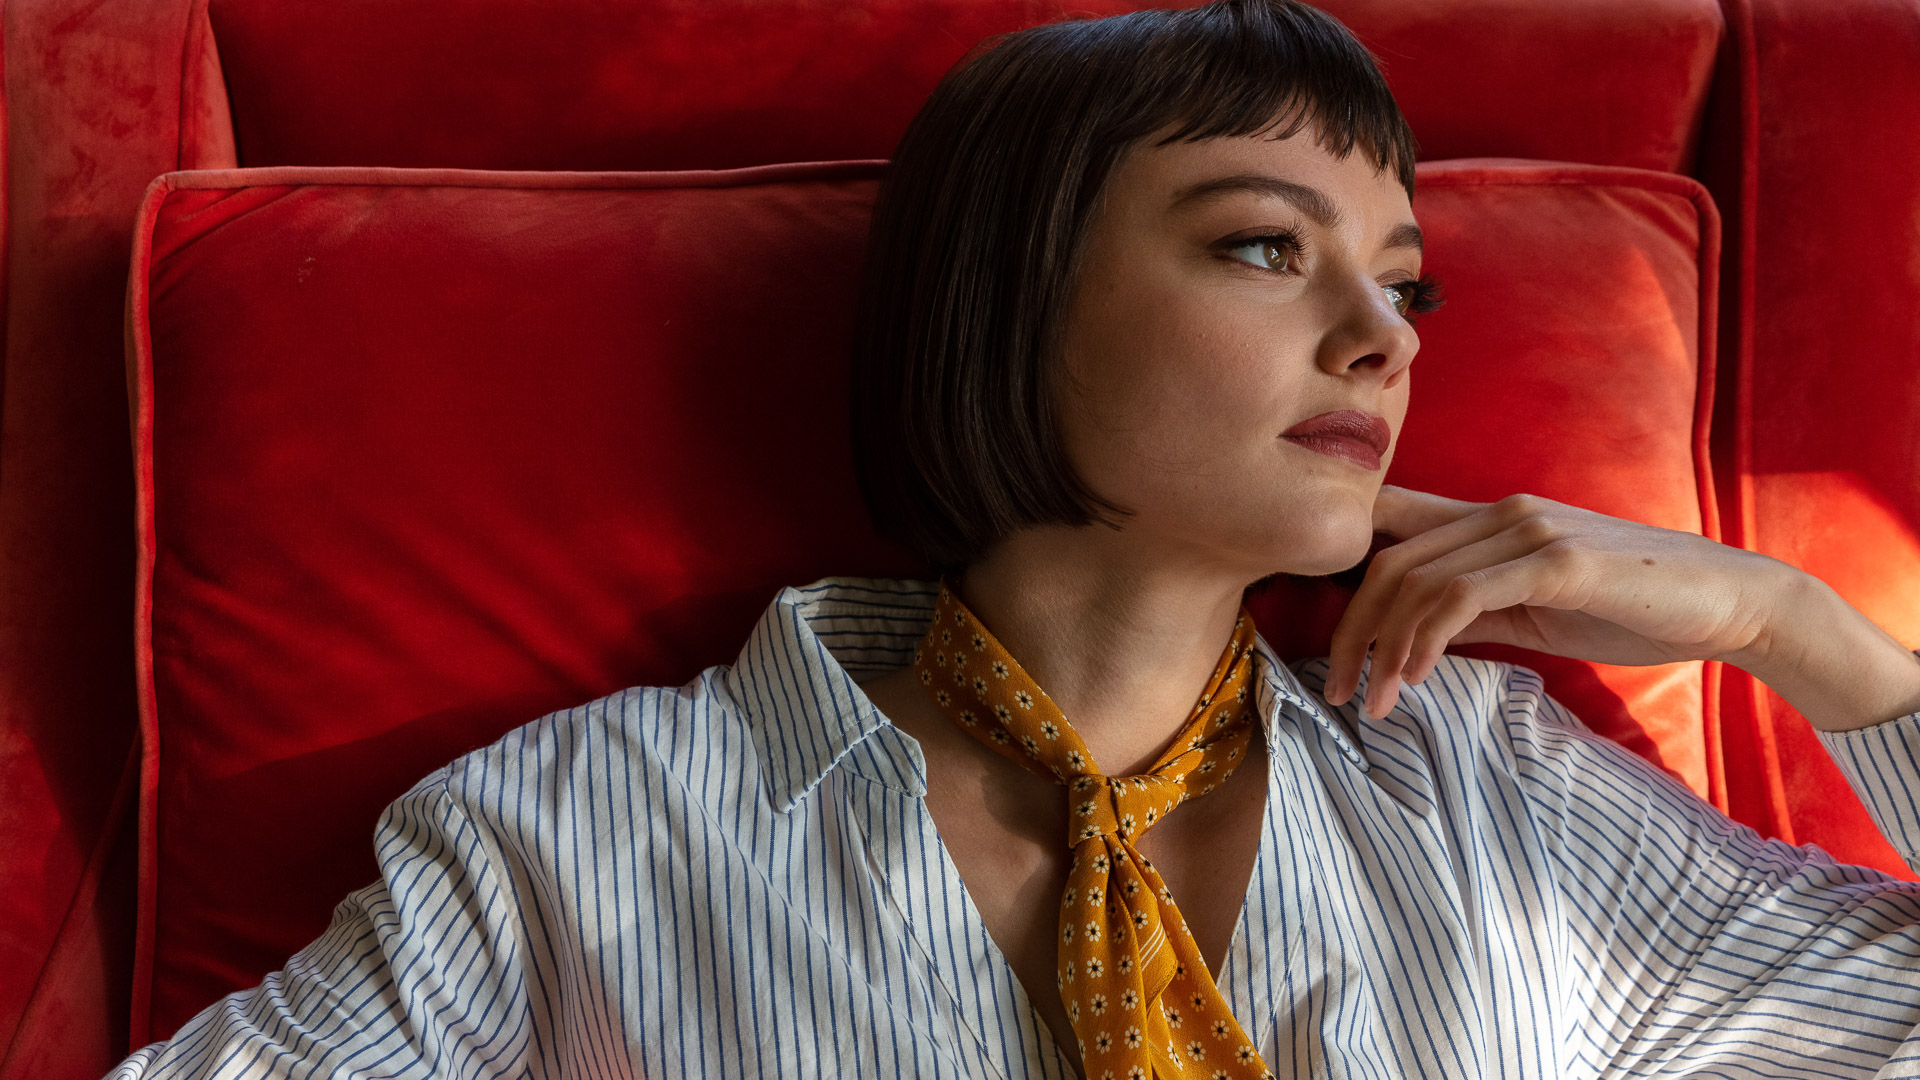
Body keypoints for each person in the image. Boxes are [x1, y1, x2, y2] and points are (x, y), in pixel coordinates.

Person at [110, 1, 1920, 1077]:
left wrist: (1796, 630)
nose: (1385, 337)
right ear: (1017, 297)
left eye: (1406, 282)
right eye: (1265, 246)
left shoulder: (1496, 792)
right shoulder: (570, 832)